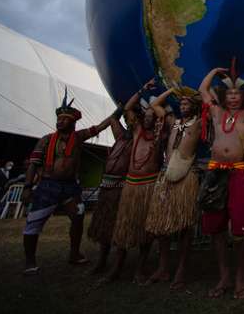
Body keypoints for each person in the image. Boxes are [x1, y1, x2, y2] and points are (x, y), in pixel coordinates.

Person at [198, 58, 244, 300]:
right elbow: (202, 90)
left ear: (242, 97)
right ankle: (224, 276)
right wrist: (213, 71)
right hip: (215, 173)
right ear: (223, 97)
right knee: (216, 229)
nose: (232, 97)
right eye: (228, 93)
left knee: (240, 231)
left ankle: (240, 278)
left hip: (239, 171)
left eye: (236, 93)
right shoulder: (216, 113)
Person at [21, 89, 114, 275]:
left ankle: (74, 253)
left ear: (72, 122)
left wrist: (118, 112)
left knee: (78, 218)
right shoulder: (46, 140)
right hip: (48, 186)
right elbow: (33, 164)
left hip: (71, 187)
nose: (59, 122)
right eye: (59, 119)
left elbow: (101, 126)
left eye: (64, 119)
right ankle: (30, 261)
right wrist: (28, 187)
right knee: (34, 223)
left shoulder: (78, 137)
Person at [144, 85, 202, 291]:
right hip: (167, 174)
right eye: (182, 103)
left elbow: (210, 106)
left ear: (195, 107)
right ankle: (163, 268)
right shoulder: (173, 122)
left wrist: (196, 94)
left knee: (184, 226)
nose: (184, 105)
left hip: (187, 175)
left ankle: (181, 271)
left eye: (188, 103)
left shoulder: (200, 123)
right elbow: (155, 104)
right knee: (162, 225)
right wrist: (172, 90)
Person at [105, 80, 163, 283]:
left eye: (151, 116)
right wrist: (143, 90)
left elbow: (166, 116)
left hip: (148, 186)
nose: (148, 119)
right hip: (131, 185)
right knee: (123, 228)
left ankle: (140, 269)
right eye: (145, 116)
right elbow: (128, 108)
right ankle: (116, 268)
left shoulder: (159, 136)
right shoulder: (137, 131)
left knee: (145, 231)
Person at [86, 104, 133, 275]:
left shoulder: (139, 138)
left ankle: (117, 266)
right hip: (107, 187)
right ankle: (102, 260)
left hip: (122, 187)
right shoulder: (121, 137)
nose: (129, 122)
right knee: (104, 225)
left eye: (133, 119)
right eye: (127, 119)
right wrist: (122, 107)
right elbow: (113, 119)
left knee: (120, 225)